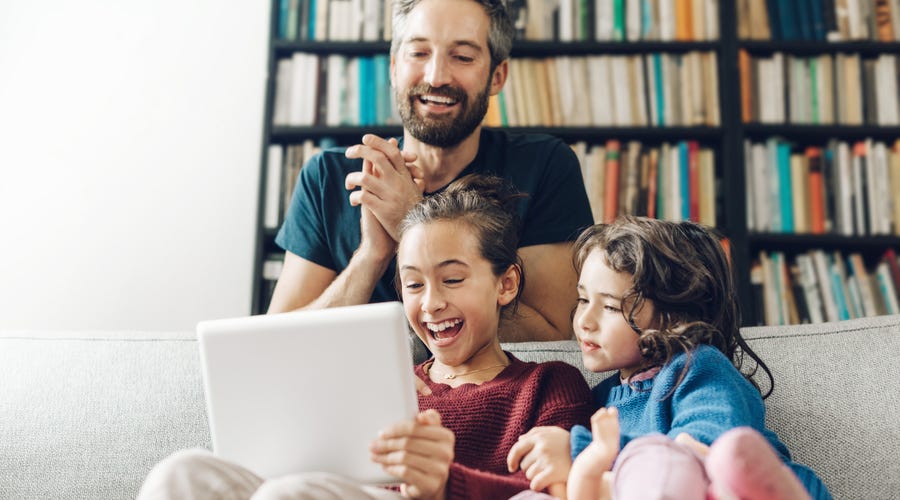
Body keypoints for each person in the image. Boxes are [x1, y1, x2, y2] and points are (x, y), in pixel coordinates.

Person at [137, 175, 592, 499]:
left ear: (506, 284)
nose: (430, 303)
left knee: (292, 495)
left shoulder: (549, 384)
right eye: (413, 284)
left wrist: (443, 485)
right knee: (180, 474)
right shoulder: (384, 383)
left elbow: (555, 493)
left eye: (452, 280)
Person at [267, 0, 593, 342]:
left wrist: (414, 228)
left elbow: (554, 333)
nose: (436, 76)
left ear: (497, 76)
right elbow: (278, 342)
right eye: (419, 53)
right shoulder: (327, 176)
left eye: (463, 57)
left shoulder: (544, 165)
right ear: (394, 68)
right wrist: (371, 256)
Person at [506, 216, 832, 500]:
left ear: (674, 314)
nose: (584, 320)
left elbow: (702, 451)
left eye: (609, 307)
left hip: (753, 490)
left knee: (718, 461)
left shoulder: (698, 368)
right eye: (582, 299)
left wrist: (582, 452)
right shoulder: (600, 399)